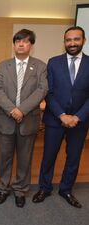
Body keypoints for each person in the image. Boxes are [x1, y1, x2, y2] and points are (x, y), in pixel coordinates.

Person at [32, 26, 89, 208]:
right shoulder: (54, 62)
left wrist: (78, 117)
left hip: (80, 122)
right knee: (48, 156)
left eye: (76, 39)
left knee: (73, 157)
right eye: (68, 40)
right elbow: (49, 92)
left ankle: (66, 189)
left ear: (83, 41)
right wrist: (62, 115)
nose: (72, 43)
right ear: (64, 42)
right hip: (55, 119)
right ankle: (44, 187)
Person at [0, 29, 48, 208]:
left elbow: (42, 90)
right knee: (4, 157)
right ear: (14, 44)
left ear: (31, 45)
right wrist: (12, 110)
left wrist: (22, 110)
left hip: (28, 120)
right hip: (6, 119)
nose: (21, 44)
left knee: (25, 158)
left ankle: (20, 190)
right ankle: (3, 188)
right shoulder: (3, 65)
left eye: (25, 41)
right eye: (18, 41)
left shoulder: (40, 66)